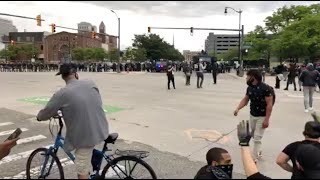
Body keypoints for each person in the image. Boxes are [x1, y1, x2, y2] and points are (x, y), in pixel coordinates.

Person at [37, 63, 109, 179]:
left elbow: (46, 112)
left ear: (62, 76)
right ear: (76, 74)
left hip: (86, 136)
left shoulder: (62, 93)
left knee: (82, 171)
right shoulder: (91, 83)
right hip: (102, 128)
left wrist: (39, 117)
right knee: (87, 155)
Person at [234, 69, 274, 162]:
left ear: (253, 77)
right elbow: (246, 99)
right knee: (253, 133)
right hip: (253, 115)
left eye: (248, 76)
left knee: (257, 137)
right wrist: (238, 108)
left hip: (262, 116)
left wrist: (267, 120)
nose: (246, 77)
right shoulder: (250, 88)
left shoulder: (266, 88)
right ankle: (258, 151)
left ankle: (254, 158)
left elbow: (269, 105)